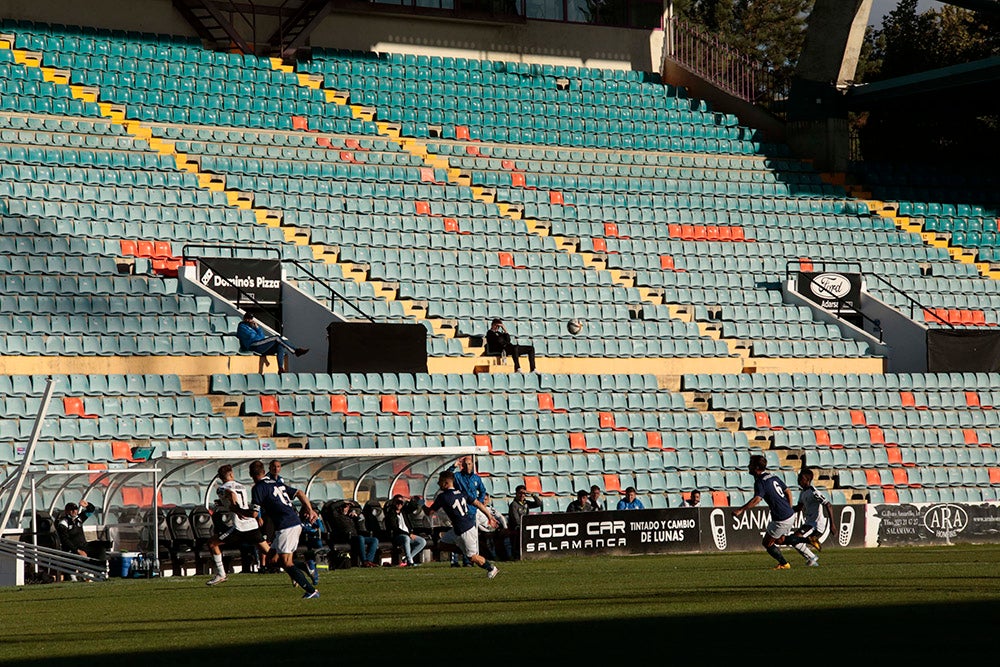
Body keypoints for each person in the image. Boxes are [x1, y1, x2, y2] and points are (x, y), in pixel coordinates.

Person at [237, 460, 320, 598]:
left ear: (251, 474)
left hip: (287, 525)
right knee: (272, 559)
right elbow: (299, 492)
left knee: (286, 563)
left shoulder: (258, 487)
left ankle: (311, 591)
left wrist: (237, 510)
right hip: (292, 522)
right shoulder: (276, 483)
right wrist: (310, 510)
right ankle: (306, 566)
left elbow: (254, 514)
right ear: (264, 471)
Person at [424, 470, 498, 579]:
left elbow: (429, 512)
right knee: (442, 545)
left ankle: (491, 568)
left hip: (465, 529)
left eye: (440, 481)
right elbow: (477, 503)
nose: (438, 484)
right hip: (459, 528)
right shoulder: (462, 493)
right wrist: (489, 516)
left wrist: (421, 505)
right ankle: (463, 550)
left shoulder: (443, 497)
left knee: (472, 557)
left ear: (446, 483)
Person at [206, 464, 271, 585]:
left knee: (212, 543)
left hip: (239, 527)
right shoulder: (242, 486)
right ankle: (293, 569)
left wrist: (235, 507)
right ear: (231, 474)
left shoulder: (221, 488)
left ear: (221, 477)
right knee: (269, 552)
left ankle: (221, 574)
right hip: (252, 524)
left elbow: (231, 494)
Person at [733, 454, 796, 570]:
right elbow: (788, 491)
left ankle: (784, 564)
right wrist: (789, 507)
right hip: (789, 514)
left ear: (756, 467)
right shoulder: (773, 477)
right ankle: (807, 540)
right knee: (780, 540)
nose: (748, 466)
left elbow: (757, 499)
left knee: (767, 543)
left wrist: (741, 510)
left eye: (751, 464)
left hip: (781, 517)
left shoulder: (760, 482)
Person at [782, 468, 835, 567]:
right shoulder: (803, 492)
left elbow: (828, 505)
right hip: (809, 523)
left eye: (801, 478)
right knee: (794, 540)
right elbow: (798, 508)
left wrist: (832, 525)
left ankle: (811, 555)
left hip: (816, 524)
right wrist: (785, 510)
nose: (798, 480)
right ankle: (811, 558)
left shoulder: (814, 492)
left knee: (795, 537)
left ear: (807, 479)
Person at [235, 311, 308, 374]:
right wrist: (255, 332)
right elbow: (251, 337)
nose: (249, 320)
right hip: (253, 345)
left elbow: (262, 336)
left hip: (260, 344)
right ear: (244, 318)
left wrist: (257, 328)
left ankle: (280, 369)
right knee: (276, 338)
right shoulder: (241, 326)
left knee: (280, 345)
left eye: (250, 318)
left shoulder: (253, 327)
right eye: (247, 318)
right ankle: (295, 351)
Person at [451, 455, 487, 566]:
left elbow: (483, 491)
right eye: (465, 464)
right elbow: (446, 478)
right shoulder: (457, 476)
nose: (467, 466)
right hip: (460, 510)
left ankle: (469, 560)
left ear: (473, 465)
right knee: (458, 536)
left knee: (471, 538)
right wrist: (453, 466)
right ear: (462, 465)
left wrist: (478, 503)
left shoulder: (476, 478)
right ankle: (455, 561)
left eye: (469, 464)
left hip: (472, 511)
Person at [327, 501, 380, 567]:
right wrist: (344, 501)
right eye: (345, 506)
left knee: (374, 540)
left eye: (348, 506)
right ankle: (364, 561)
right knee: (361, 538)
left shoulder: (350, 517)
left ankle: (369, 560)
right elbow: (332, 506)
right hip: (345, 537)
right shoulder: (337, 516)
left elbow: (359, 528)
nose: (346, 508)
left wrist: (356, 518)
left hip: (355, 536)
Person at [384, 495, 427, 567]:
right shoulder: (391, 513)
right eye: (397, 502)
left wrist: (408, 500)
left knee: (422, 541)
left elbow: (415, 506)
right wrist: (408, 534)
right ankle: (410, 562)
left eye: (401, 502)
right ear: (393, 502)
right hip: (398, 536)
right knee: (406, 538)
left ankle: (406, 559)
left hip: (408, 534)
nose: (399, 504)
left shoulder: (404, 511)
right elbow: (395, 528)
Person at [507, 484, 541, 560]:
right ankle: (516, 556)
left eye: (524, 493)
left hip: (525, 527)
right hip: (516, 529)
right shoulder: (513, 505)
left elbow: (539, 504)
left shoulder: (526, 503)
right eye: (520, 493)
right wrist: (522, 526)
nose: (522, 495)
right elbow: (516, 520)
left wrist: (532, 494)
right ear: (516, 493)